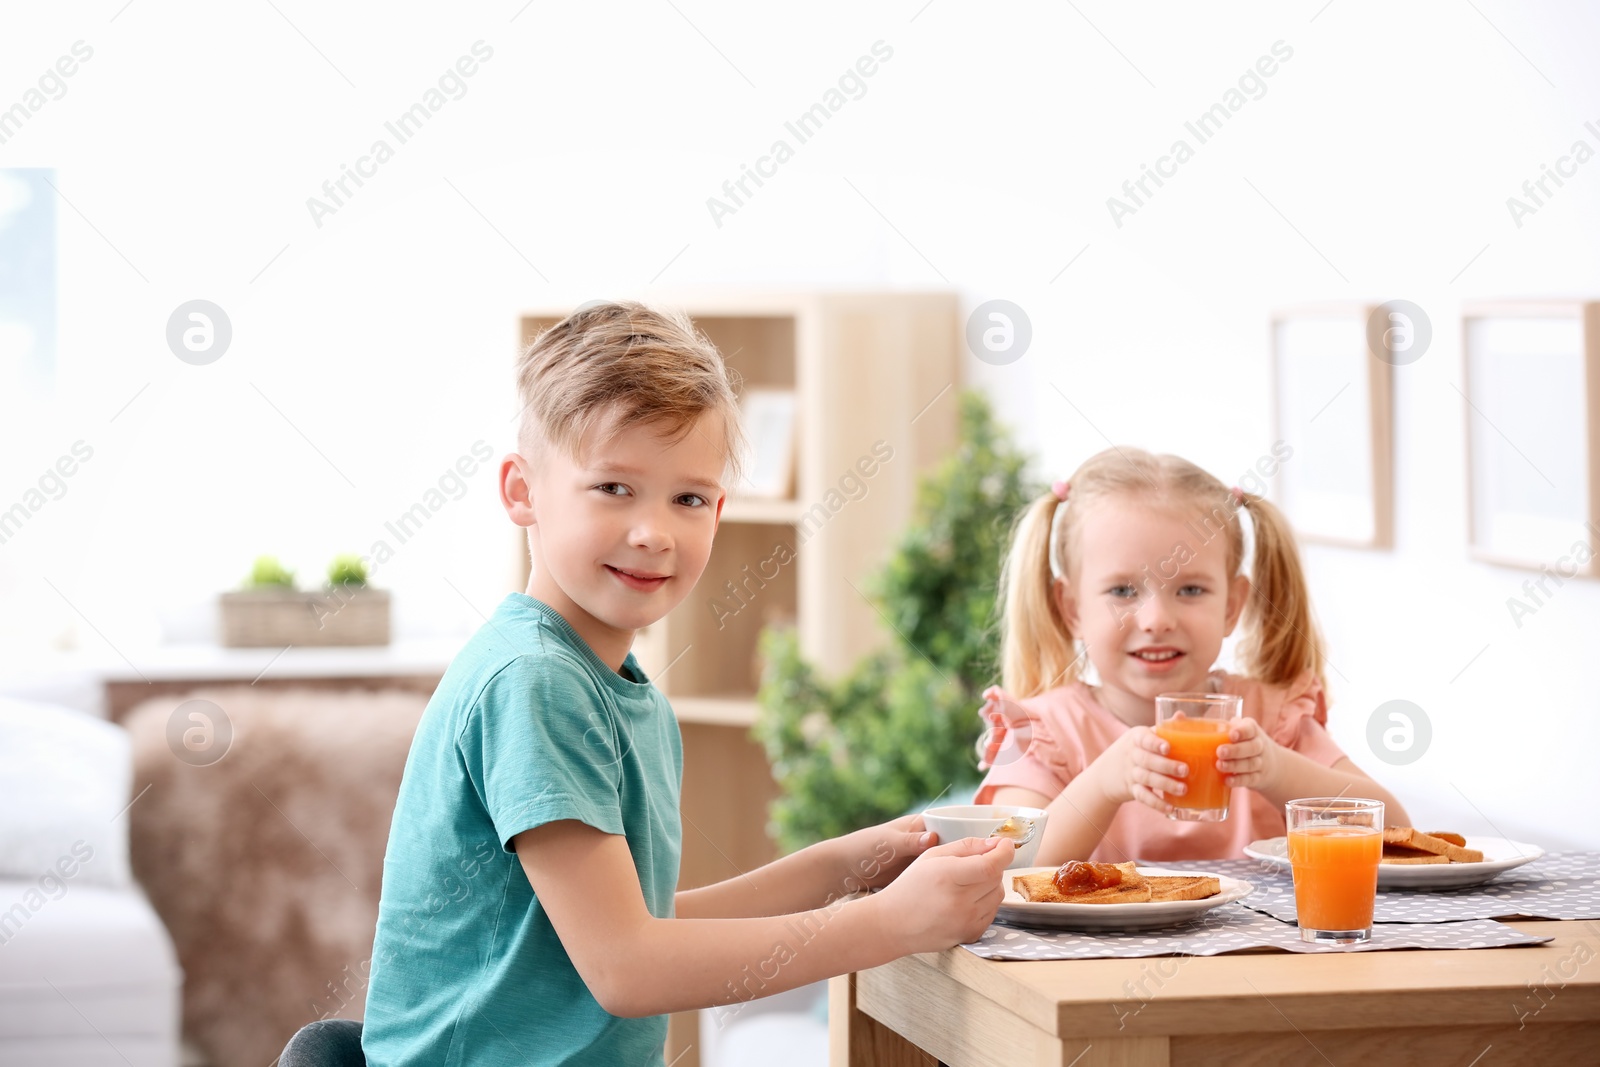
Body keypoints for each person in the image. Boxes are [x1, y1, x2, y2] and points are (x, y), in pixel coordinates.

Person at [361, 302, 1012, 1067]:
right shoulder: (533, 683)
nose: (655, 531)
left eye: (689, 498)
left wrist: (845, 866)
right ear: (521, 490)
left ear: (719, 510)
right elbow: (627, 968)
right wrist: (889, 925)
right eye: (613, 487)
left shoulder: (618, 689)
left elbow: (637, 924)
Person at [974, 446, 1409, 865]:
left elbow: (1395, 834)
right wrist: (1103, 786)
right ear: (1072, 609)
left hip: (1257, 944)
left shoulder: (1270, 723)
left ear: (1232, 606)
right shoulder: (1044, 733)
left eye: (1190, 590)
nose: (1156, 619)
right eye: (1123, 591)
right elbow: (1009, 865)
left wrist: (1278, 771)